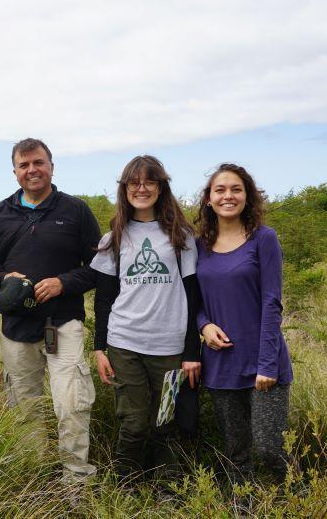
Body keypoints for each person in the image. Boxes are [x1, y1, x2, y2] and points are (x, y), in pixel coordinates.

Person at [0, 138, 101, 481]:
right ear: (15, 171)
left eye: (38, 163)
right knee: (24, 405)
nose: (31, 170)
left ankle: (76, 477)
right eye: (24, 165)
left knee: (71, 403)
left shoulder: (75, 210)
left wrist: (64, 282)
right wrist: (4, 279)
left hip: (63, 323)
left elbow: (97, 267)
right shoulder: (2, 213)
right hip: (16, 327)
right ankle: (34, 475)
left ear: (51, 166)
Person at [90, 155, 201, 480]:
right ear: (124, 189)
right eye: (134, 183)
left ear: (161, 187)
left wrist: (192, 351)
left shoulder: (181, 236)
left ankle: (168, 488)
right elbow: (104, 298)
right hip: (125, 344)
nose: (141, 188)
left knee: (165, 420)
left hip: (169, 345)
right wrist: (100, 348)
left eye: (149, 181)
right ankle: (123, 484)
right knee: (134, 422)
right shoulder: (113, 238)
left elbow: (193, 295)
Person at [195, 163, 293, 483]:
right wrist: (203, 325)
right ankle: (243, 506)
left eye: (236, 189)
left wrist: (267, 364)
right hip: (220, 363)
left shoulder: (263, 239)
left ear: (248, 196)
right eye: (220, 189)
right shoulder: (199, 246)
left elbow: (271, 302)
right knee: (236, 454)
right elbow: (192, 299)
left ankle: (299, 499)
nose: (228, 195)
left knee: (269, 447)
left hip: (263, 361)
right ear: (208, 199)